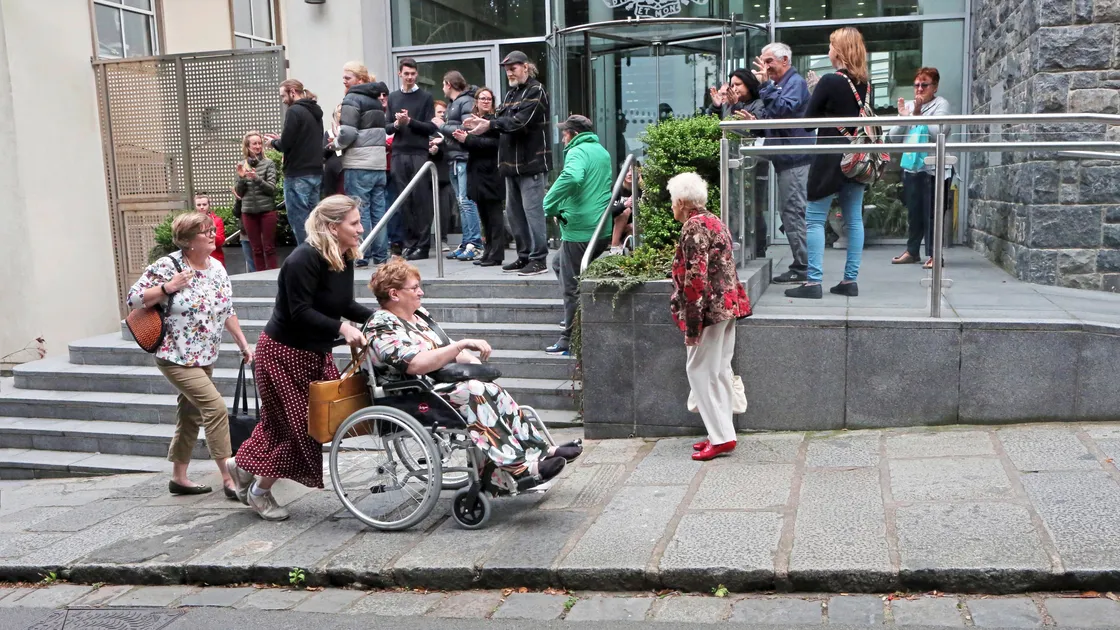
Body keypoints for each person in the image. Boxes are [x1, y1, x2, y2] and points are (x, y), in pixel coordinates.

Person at [366, 258, 581, 492]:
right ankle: (519, 468)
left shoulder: (420, 317)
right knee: (475, 391)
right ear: (394, 294)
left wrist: (474, 365)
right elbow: (415, 364)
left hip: (439, 388)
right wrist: (461, 346)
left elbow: (446, 348)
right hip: (410, 397)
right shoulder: (382, 325)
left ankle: (540, 451)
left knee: (487, 387)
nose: (421, 292)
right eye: (415, 287)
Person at [227, 195, 372, 521]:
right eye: (354, 223)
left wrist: (376, 318)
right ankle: (259, 493)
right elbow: (300, 313)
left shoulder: (342, 256)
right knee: (301, 430)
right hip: (281, 355)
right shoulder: (302, 260)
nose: (361, 229)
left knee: (283, 427)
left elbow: (342, 304)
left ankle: (240, 464)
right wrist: (343, 329)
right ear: (333, 227)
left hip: (312, 354)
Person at [126, 213, 253, 496]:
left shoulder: (217, 268)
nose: (211, 235)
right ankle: (229, 477)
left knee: (190, 413)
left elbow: (226, 309)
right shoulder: (168, 265)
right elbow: (133, 299)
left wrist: (243, 343)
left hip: (205, 355)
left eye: (212, 230)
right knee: (215, 408)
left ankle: (179, 477)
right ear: (187, 241)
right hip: (174, 355)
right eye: (204, 232)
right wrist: (168, 287)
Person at [667, 173, 751, 462]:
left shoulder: (693, 227)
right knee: (718, 370)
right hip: (728, 306)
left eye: (672, 201)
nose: (671, 207)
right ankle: (722, 433)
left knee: (700, 370)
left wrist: (692, 324)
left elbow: (695, 278)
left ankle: (721, 437)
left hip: (710, 310)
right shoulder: (714, 220)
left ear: (681, 202)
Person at [785, 27, 871, 300]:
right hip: (855, 160)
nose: (828, 50)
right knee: (854, 220)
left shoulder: (829, 81)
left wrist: (815, 91)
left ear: (840, 50)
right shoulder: (865, 83)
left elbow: (809, 123)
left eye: (831, 45)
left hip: (829, 158)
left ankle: (813, 282)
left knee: (813, 219)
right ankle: (850, 281)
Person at [463, 50, 552, 276]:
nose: (510, 72)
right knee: (514, 215)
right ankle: (524, 257)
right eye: (507, 69)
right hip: (510, 166)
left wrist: (489, 125)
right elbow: (502, 122)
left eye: (513, 68)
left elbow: (519, 123)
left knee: (533, 214)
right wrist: (482, 123)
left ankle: (539, 259)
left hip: (530, 164)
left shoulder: (536, 90)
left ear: (526, 67)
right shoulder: (512, 94)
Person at [543, 115, 613, 356]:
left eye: (564, 133)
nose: (562, 138)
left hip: (580, 231)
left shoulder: (577, 151)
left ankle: (570, 338)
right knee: (557, 264)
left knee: (571, 285)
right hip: (600, 229)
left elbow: (572, 177)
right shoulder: (601, 152)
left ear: (573, 133)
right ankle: (576, 319)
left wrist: (549, 204)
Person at [751, 43, 813, 284]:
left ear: (785, 59)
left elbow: (783, 109)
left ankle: (804, 266)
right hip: (786, 158)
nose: (765, 67)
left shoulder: (794, 82)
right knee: (789, 212)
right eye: (763, 62)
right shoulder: (780, 84)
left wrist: (765, 85)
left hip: (795, 159)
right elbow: (772, 117)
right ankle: (802, 264)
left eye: (769, 62)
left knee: (793, 212)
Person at [888, 66, 952, 270]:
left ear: (935, 87)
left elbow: (937, 133)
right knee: (914, 213)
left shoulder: (941, 104)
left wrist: (917, 114)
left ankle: (935, 255)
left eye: (924, 84)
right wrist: (905, 117)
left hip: (934, 169)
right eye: (916, 85)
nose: (919, 88)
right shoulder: (907, 105)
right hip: (912, 168)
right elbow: (893, 137)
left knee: (933, 214)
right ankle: (912, 251)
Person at [336, 61, 390, 268]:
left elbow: (348, 132)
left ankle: (362, 253)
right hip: (378, 163)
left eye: (347, 77)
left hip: (359, 162)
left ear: (359, 80)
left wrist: (336, 144)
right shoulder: (376, 100)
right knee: (379, 210)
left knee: (360, 211)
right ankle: (381, 255)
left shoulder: (351, 98)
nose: (344, 81)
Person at [385, 58, 438, 260]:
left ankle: (423, 246)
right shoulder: (393, 97)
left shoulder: (425, 97)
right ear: (400, 74)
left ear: (416, 74)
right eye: (406, 73)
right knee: (403, 200)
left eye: (413, 73)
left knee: (421, 200)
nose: (409, 77)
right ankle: (409, 243)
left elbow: (430, 127)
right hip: (398, 153)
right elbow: (387, 126)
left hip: (418, 152)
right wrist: (398, 124)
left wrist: (410, 121)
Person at [266, 79, 323, 245]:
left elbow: (286, 144)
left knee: (299, 221)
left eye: (284, 95)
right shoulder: (315, 111)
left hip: (297, 173)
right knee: (315, 221)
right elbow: (306, 139)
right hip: (316, 172)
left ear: (292, 92)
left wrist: (273, 143)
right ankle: (319, 254)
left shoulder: (294, 111)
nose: (283, 100)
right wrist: (282, 139)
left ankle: (306, 258)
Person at [454, 87, 506, 267]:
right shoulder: (472, 121)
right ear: (476, 101)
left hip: (491, 173)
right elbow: (470, 147)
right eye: (482, 98)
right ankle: (488, 251)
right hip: (476, 172)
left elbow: (494, 145)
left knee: (494, 215)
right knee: (484, 215)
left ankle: (496, 253)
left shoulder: (495, 121)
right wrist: (462, 138)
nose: (485, 101)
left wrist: (467, 139)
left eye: (489, 99)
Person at [436, 71, 483, 261]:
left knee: (466, 202)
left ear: (448, 84)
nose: (442, 88)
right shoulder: (456, 104)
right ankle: (467, 242)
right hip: (455, 157)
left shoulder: (464, 102)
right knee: (462, 203)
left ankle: (475, 243)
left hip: (462, 157)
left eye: (443, 84)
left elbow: (466, 128)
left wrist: (441, 126)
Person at [235, 131, 279, 271]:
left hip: (267, 211)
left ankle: (273, 277)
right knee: (256, 249)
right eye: (254, 143)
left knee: (269, 248)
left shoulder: (268, 163)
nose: (258, 146)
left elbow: (271, 189)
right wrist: (242, 178)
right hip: (248, 212)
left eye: (259, 143)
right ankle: (260, 277)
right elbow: (239, 193)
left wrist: (256, 178)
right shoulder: (242, 165)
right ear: (247, 146)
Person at [429, 101, 456, 253]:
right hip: (429, 176)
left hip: (445, 177)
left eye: (444, 112)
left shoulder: (448, 131)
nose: (443, 115)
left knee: (444, 210)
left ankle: (443, 239)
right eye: (439, 112)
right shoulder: (428, 130)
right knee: (426, 211)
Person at [608, 162, 641, 256]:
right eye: (627, 171)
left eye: (633, 171)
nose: (630, 174)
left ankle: (626, 248)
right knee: (626, 211)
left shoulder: (642, 190)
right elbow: (609, 213)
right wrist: (624, 205)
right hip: (613, 228)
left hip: (632, 228)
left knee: (635, 224)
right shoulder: (616, 189)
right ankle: (614, 248)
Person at [192, 195, 226, 266]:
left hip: (215, 256)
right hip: (196, 257)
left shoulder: (217, 220)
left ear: (209, 205)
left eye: (204, 204)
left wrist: (209, 233)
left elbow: (220, 241)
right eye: (198, 205)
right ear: (195, 206)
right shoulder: (191, 222)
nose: (201, 207)